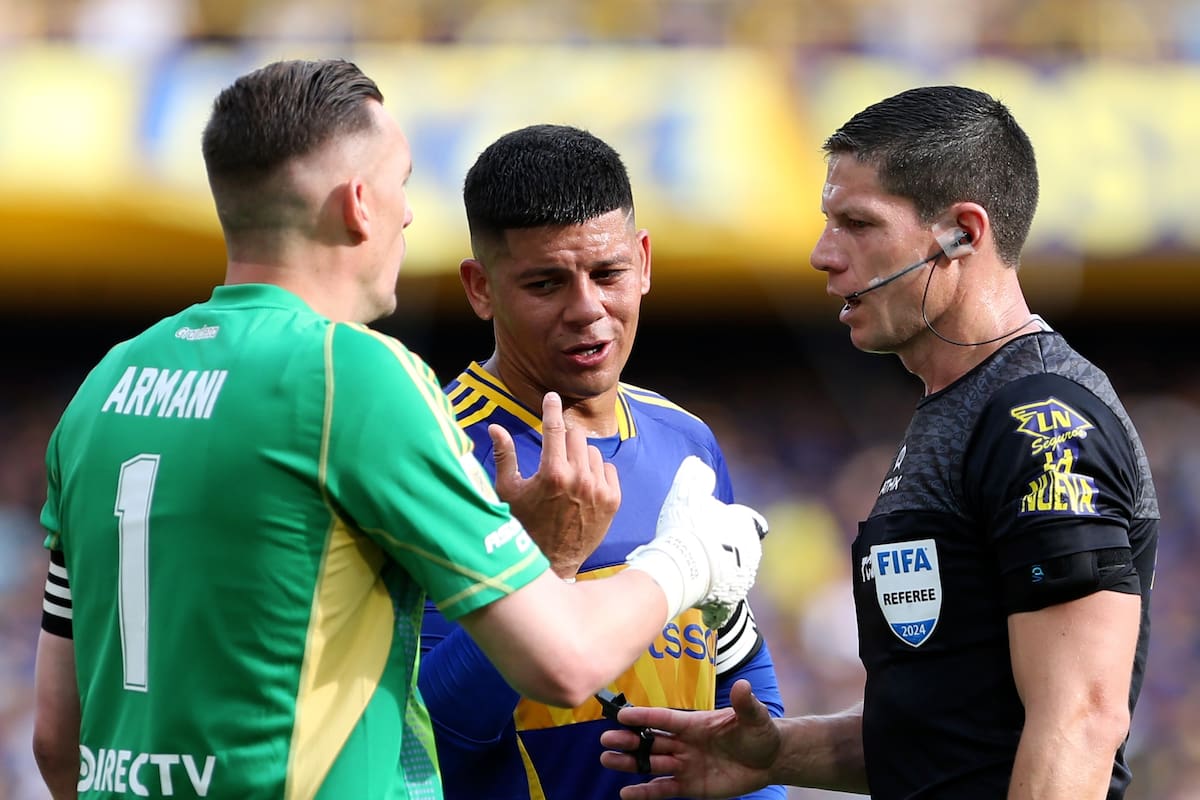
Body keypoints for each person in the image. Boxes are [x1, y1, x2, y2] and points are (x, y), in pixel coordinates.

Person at [29, 59, 767, 800]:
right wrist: (690, 559)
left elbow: (58, 741)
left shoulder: (105, 387)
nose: (409, 213)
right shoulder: (358, 379)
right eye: (404, 182)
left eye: (605, 274)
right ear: (359, 204)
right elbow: (561, 662)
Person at [601, 85, 1159, 800]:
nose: (821, 254)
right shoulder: (956, 408)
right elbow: (951, 733)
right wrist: (772, 756)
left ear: (961, 232)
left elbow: (1080, 719)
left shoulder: (1040, 417)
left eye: (857, 224)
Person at [417, 124, 786, 800]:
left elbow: (739, 673)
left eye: (608, 273)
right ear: (480, 288)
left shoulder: (687, 441)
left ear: (643, 262)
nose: (588, 309)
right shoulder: (432, 452)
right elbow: (428, 735)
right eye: (546, 282)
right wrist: (537, 566)